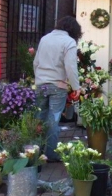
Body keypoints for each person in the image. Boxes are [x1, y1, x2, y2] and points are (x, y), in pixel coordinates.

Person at [34, 16, 82, 162]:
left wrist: (39, 79)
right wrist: (76, 87)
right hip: (58, 85)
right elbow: (70, 66)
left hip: (41, 84)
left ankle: (34, 152)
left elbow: (36, 62)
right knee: (53, 119)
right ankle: (51, 154)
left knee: (38, 118)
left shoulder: (45, 38)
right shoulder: (69, 42)